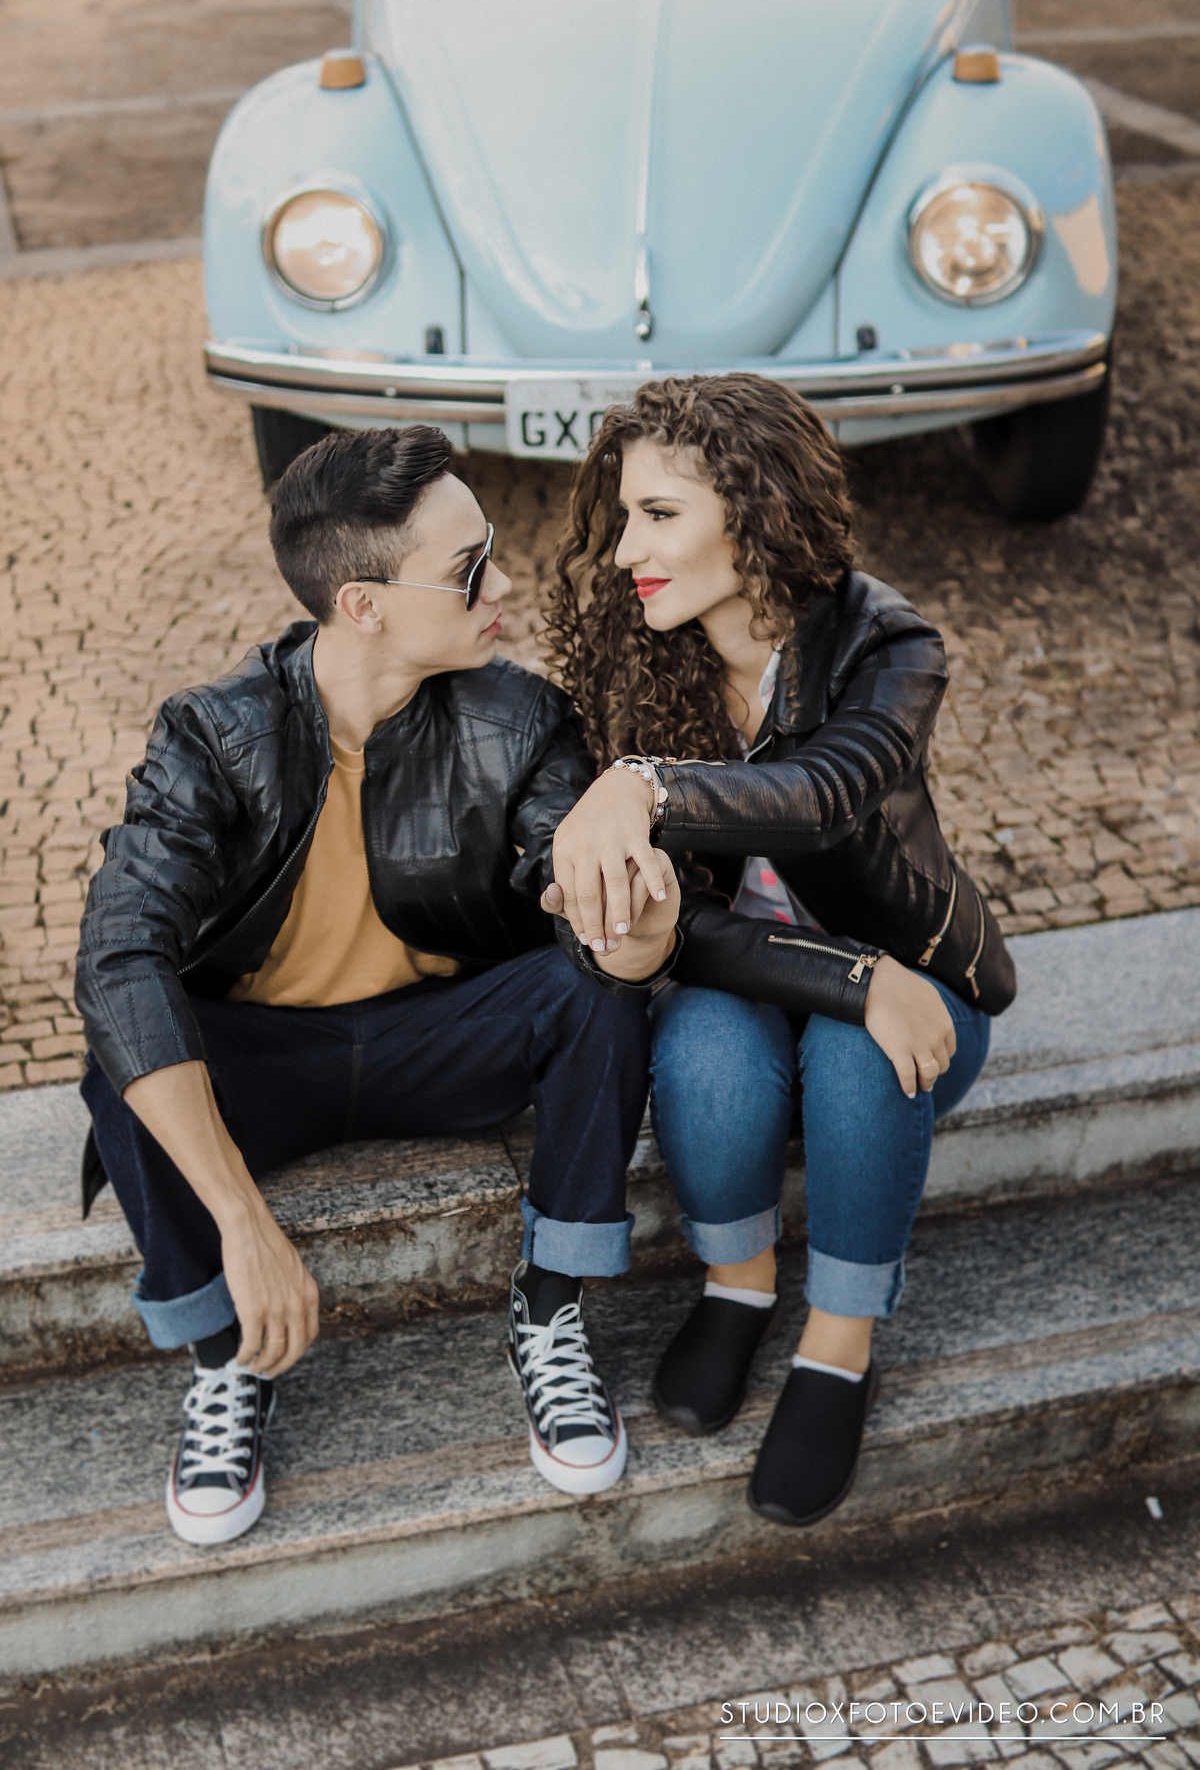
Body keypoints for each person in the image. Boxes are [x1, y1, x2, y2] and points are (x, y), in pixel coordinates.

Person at [74, 425, 679, 1547]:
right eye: (468, 569)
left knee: (590, 991)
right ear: (363, 605)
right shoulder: (213, 734)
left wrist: (633, 930)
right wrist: (246, 1226)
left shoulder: (520, 718)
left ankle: (549, 1310)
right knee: (126, 1052)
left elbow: (583, 912)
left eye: (491, 553)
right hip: (267, 1060)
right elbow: (117, 954)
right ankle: (226, 1355)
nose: (503, 585)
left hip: (444, 1041)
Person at [541, 373, 1016, 1528]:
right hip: (746, 981)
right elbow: (678, 930)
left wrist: (647, 786)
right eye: (624, 517)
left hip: (921, 990)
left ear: (755, 510)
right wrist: (851, 977)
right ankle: (738, 1284)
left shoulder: (887, 640)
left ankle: (838, 1347)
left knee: (861, 1051)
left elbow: (823, 797)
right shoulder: (632, 653)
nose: (624, 552)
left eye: (659, 515)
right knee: (703, 1042)